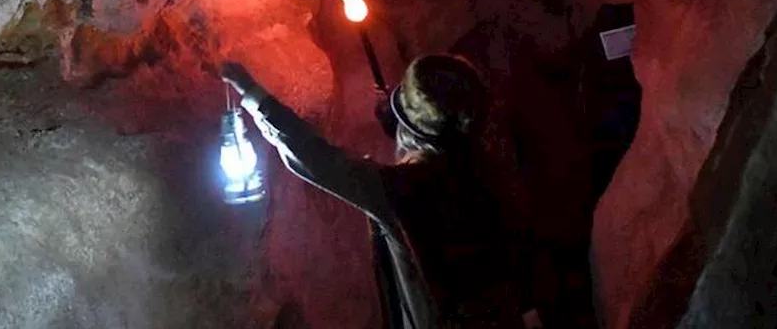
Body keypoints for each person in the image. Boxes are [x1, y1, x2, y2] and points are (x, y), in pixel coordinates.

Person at [221, 54, 543, 329]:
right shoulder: (487, 169)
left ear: (410, 129)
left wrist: (252, 94)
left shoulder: (403, 191)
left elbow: (319, 159)